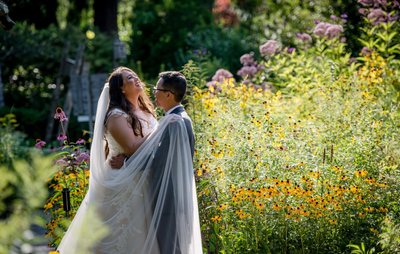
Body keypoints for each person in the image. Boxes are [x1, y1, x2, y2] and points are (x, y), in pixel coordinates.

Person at [57, 67, 202, 254]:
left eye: (134, 75)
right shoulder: (116, 116)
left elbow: (154, 150)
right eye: (129, 78)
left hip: (142, 179)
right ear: (122, 89)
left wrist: (162, 129)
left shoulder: (146, 110)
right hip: (123, 183)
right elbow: (134, 148)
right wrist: (161, 129)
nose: (136, 79)